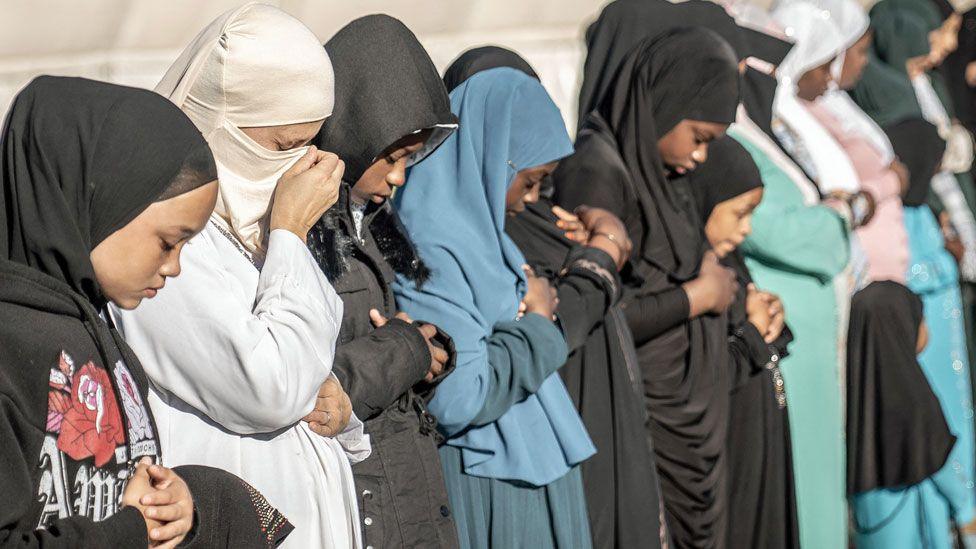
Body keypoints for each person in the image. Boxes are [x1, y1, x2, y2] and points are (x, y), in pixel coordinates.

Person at [110, 5, 370, 548]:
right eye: (279, 147)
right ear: (215, 119)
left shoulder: (250, 229)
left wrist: (336, 408)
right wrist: (292, 232)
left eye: (310, 144)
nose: (297, 167)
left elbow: (305, 359)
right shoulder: (162, 246)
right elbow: (267, 387)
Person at [0, 76, 293, 548]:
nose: (174, 267)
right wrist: (129, 533)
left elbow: (114, 491)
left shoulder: (98, 331)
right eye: (167, 241)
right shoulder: (11, 347)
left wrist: (178, 504)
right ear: (97, 200)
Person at [442, 46, 666, 549]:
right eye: (531, 179)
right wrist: (600, 256)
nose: (533, 195)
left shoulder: (539, 219)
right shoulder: (452, 238)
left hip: (559, 452)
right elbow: (472, 383)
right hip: (500, 478)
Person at [393, 67, 595, 549]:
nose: (528, 202)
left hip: (517, 478)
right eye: (528, 182)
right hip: (490, 490)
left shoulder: (481, 239)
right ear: (496, 160)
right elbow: (459, 396)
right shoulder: (432, 247)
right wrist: (540, 327)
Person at [553, 28, 740, 548]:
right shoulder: (594, 174)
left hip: (687, 432)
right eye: (698, 137)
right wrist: (698, 297)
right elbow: (595, 314)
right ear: (663, 102)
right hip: (644, 430)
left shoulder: (655, 169)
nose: (700, 157)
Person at [305, 14, 460, 548]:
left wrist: (425, 349)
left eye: (409, 160)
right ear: (353, 128)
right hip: (360, 497)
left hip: (395, 487)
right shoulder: (301, 229)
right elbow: (303, 384)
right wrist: (405, 349)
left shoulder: (362, 224)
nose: (398, 177)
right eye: (390, 157)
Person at [726, 14, 853, 547]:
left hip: (809, 343)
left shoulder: (758, 132)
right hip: (786, 341)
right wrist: (840, 219)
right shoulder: (732, 140)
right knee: (802, 489)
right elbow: (792, 233)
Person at [852, 117, 976, 548]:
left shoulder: (921, 210)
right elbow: (898, 275)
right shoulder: (891, 217)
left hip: (941, 341)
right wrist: (948, 259)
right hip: (920, 345)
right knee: (929, 432)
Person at [687, 136, 799, 549]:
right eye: (739, 213)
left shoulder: (728, 261)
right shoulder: (690, 277)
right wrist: (752, 333)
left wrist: (770, 316)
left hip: (761, 451)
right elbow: (704, 372)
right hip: (729, 462)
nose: (747, 228)